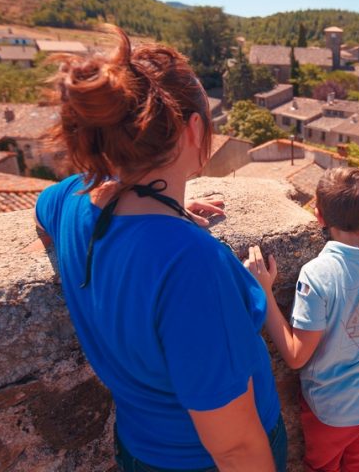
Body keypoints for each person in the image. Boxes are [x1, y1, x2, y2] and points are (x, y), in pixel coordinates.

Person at [33, 25, 286, 472]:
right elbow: (235, 448)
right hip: (200, 460)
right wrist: (165, 221)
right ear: (192, 129)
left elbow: (42, 217)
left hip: (140, 447)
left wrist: (161, 206)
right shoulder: (190, 263)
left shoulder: (72, 199)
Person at [246, 167, 359, 472]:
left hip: (331, 410)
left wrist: (265, 293)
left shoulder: (317, 275)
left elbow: (296, 356)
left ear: (319, 217)